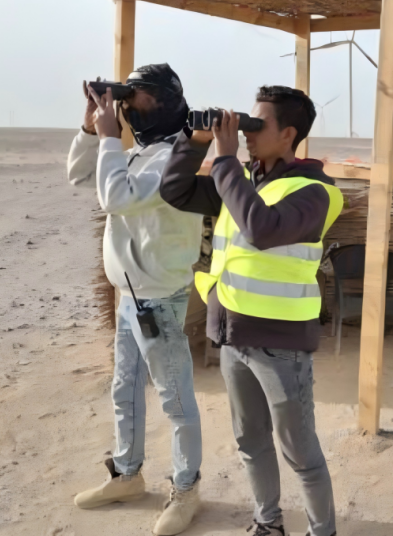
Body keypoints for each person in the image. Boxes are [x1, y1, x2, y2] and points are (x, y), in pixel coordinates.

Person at [159, 86, 341, 536]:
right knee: (250, 442)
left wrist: (223, 160)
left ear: (289, 134)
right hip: (233, 336)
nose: (246, 134)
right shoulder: (242, 181)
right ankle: (268, 524)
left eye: (257, 125)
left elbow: (261, 228)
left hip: (281, 346)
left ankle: (323, 531)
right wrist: (197, 141)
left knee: (300, 452)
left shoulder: (315, 191)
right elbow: (175, 190)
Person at [66, 63, 205, 536]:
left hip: (159, 298)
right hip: (128, 295)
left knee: (175, 399)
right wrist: (91, 128)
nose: (126, 105)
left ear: (165, 101)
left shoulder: (176, 158)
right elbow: (80, 176)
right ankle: (127, 474)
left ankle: (186, 488)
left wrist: (109, 137)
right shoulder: (135, 153)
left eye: (137, 95)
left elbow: (115, 200)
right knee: (123, 390)